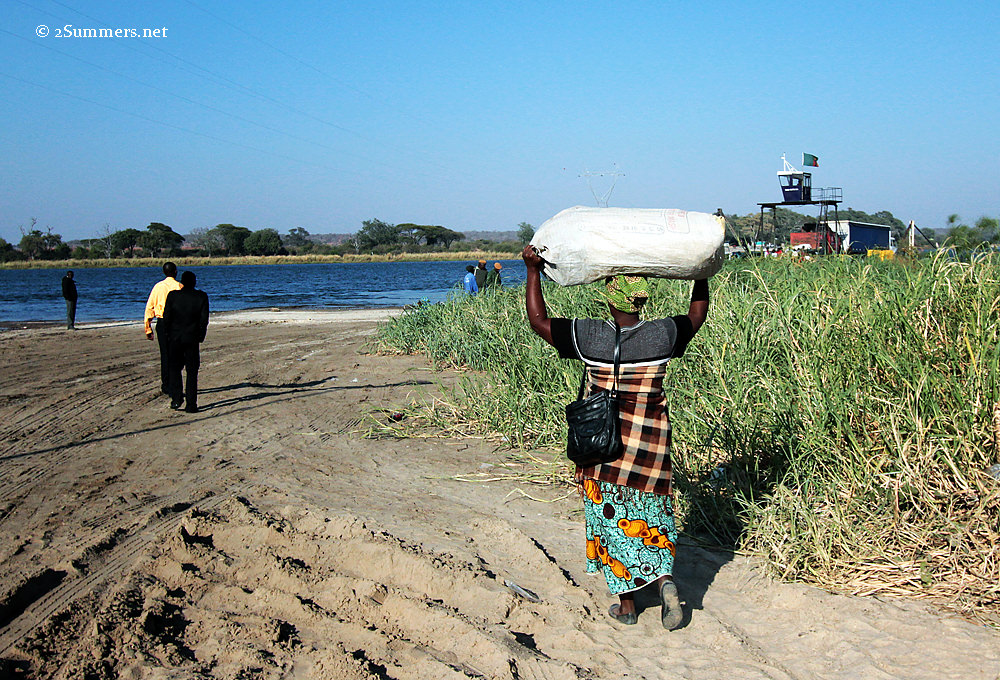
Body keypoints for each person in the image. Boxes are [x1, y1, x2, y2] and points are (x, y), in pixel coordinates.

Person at [521, 244, 709, 629]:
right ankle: (665, 581)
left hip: (603, 454)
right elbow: (697, 314)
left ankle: (627, 606)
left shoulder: (590, 336)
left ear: (609, 299)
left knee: (611, 521)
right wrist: (700, 271)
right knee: (652, 521)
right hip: (651, 453)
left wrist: (532, 271)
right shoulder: (662, 335)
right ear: (640, 301)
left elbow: (538, 320)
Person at [160, 271, 209, 413]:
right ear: (194, 282)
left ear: (182, 282)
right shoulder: (201, 296)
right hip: (192, 338)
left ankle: (176, 398)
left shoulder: (173, 296)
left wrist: (168, 334)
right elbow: (203, 320)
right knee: (192, 372)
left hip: (175, 338)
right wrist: (201, 336)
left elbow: (166, 317)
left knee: (175, 369)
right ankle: (191, 404)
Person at [144, 262, 183, 395]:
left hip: (161, 323)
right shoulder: (179, 286)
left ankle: (166, 384)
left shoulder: (157, 287)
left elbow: (149, 307)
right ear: (176, 272)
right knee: (177, 355)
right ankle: (174, 383)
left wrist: (148, 327)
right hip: (176, 323)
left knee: (165, 355)